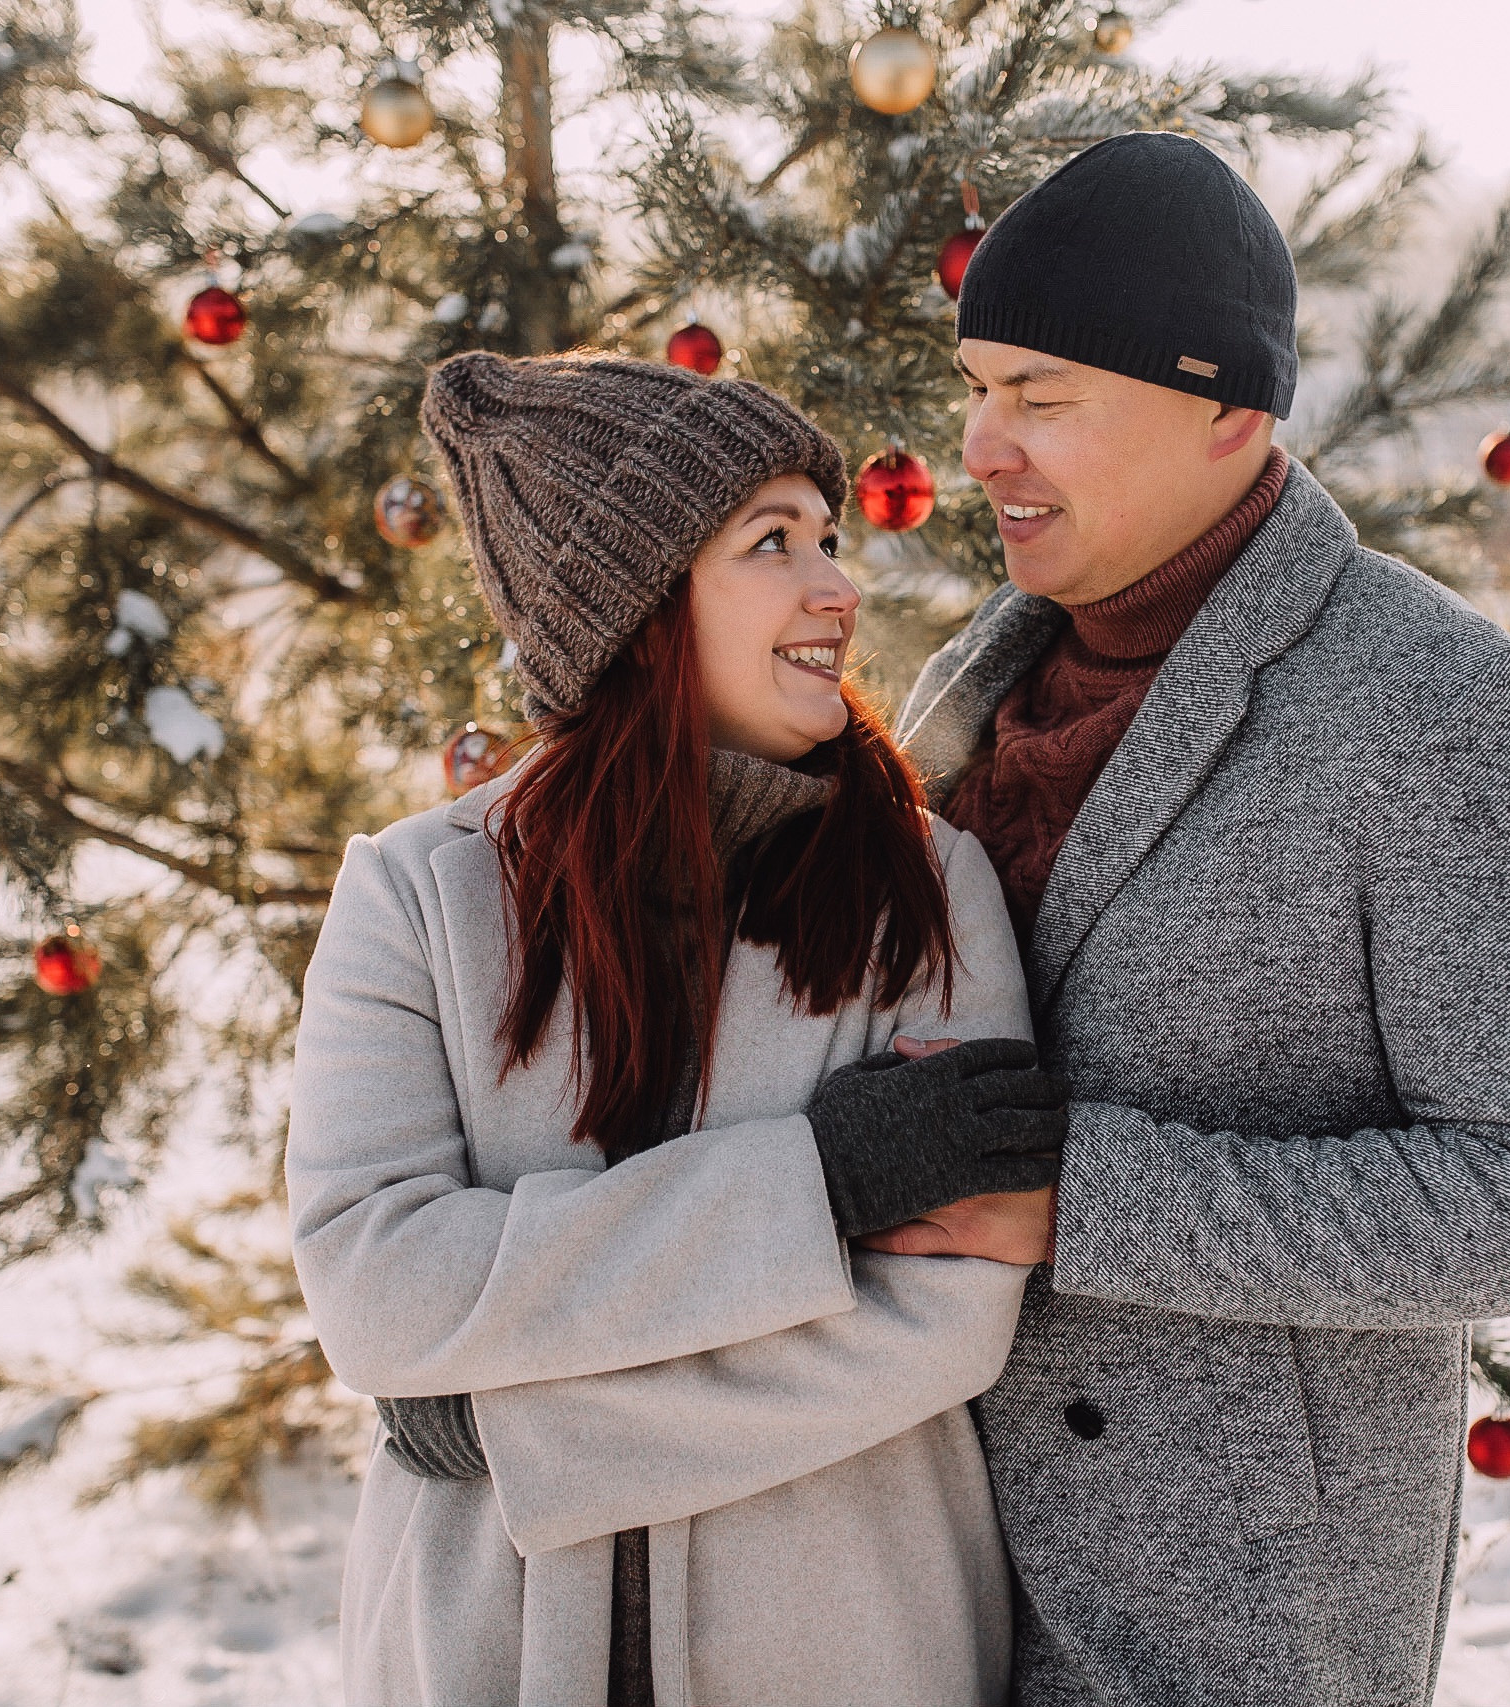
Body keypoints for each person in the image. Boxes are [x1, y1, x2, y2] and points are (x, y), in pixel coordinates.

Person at [873, 132, 1510, 1706]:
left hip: (1227, 1621)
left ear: (1229, 405)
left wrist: (1077, 1202)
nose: (981, 447)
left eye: (1043, 396)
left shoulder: (1432, 705)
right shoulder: (978, 673)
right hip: (918, 1557)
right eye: (975, 386)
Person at [286, 350, 1068, 1706]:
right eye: (774, 543)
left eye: (829, 538)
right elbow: (379, 1285)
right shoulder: (420, 898)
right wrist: (814, 1188)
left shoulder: (924, 890)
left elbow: (940, 1319)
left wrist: (518, 1427)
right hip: (482, 1649)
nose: (839, 585)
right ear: (636, 604)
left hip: (847, 1648)